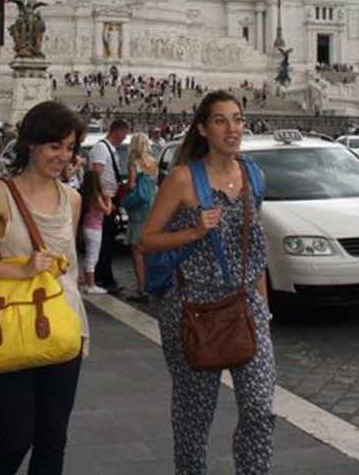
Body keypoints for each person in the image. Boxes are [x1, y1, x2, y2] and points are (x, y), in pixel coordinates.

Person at [139, 90, 274, 473]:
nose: (232, 128)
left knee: (260, 410)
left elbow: (255, 245)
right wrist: (194, 231)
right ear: (203, 128)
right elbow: (147, 239)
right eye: (221, 120)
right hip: (192, 311)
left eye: (238, 119)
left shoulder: (254, 176)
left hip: (246, 307)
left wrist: (264, 309)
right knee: (194, 420)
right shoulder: (183, 179)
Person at [0, 100, 88, 475]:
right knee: (15, 435)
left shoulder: (73, 199)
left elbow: (67, 269)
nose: (62, 156)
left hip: (61, 323)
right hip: (12, 322)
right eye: (54, 146)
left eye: (69, 147)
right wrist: (22, 271)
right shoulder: (1, 194)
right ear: (32, 144)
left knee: (53, 437)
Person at [89, 118, 129, 292]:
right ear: (117, 131)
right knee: (104, 241)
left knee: (108, 240)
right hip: (106, 199)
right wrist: (103, 198)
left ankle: (106, 275)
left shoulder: (109, 149)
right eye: (124, 133)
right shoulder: (100, 148)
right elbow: (97, 174)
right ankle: (102, 277)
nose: (124, 137)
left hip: (111, 197)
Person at [125, 131, 159, 302]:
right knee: (150, 246)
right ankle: (152, 282)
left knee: (136, 248)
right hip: (152, 206)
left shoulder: (133, 163)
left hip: (139, 208)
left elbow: (131, 185)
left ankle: (141, 286)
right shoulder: (154, 163)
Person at [78, 170, 110, 294]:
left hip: (87, 227)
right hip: (95, 228)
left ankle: (87, 282)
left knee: (88, 256)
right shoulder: (96, 196)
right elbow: (106, 211)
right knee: (93, 257)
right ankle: (91, 284)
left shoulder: (86, 194)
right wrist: (108, 199)